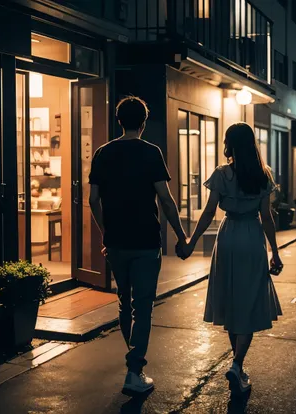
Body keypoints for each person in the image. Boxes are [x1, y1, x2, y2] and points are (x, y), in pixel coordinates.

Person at [88, 96, 187, 395]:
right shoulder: (151, 153)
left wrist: (106, 232)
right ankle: (134, 370)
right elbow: (166, 200)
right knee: (143, 307)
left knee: (124, 301)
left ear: (119, 120)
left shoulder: (102, 153)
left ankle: (133, 360)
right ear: (143, 122)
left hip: (116, 242)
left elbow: (93, 200)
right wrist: (182, 237)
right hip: (145, 240)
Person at [179, 122, 283, 397]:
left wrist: (190, 242)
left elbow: (209, 211)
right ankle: (237, 364)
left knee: (231, 298)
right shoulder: (263, 175)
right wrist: (275, 251)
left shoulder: (222, 174)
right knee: (248, 303)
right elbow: (267, 217)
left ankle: (237, 365)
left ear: (229, 144)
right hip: (251, 238)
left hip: (227, 237)